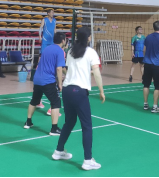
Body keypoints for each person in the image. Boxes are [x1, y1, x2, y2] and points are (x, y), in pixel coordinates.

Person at [52, 27, 105, 171]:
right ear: (88, 38)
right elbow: (97, 73)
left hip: (67, 90)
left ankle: (58, 151)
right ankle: (88, 160)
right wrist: (101, 91)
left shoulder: (70, 51)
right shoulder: (91, 52)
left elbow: (70, 69)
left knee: (69, 122)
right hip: (79, 92)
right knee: (86, 126)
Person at [24, 32, 67, 135]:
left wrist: (68, 73)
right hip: (48, 80)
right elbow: (59, 68)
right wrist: (60, 83)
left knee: (34, 100)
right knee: (56, 102)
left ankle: (28, 122)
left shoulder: (47, 48)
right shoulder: (60, 51)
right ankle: (54, 128)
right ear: (63, 41)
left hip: (37, 79)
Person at [142, 20, 159, 113]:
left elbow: (144, 50)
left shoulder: (148, 37)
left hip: (147, 64)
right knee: (157, 86)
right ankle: (155, 107)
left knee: (146, 85)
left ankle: (145, 104)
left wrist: (146, 58)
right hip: (157, 65)